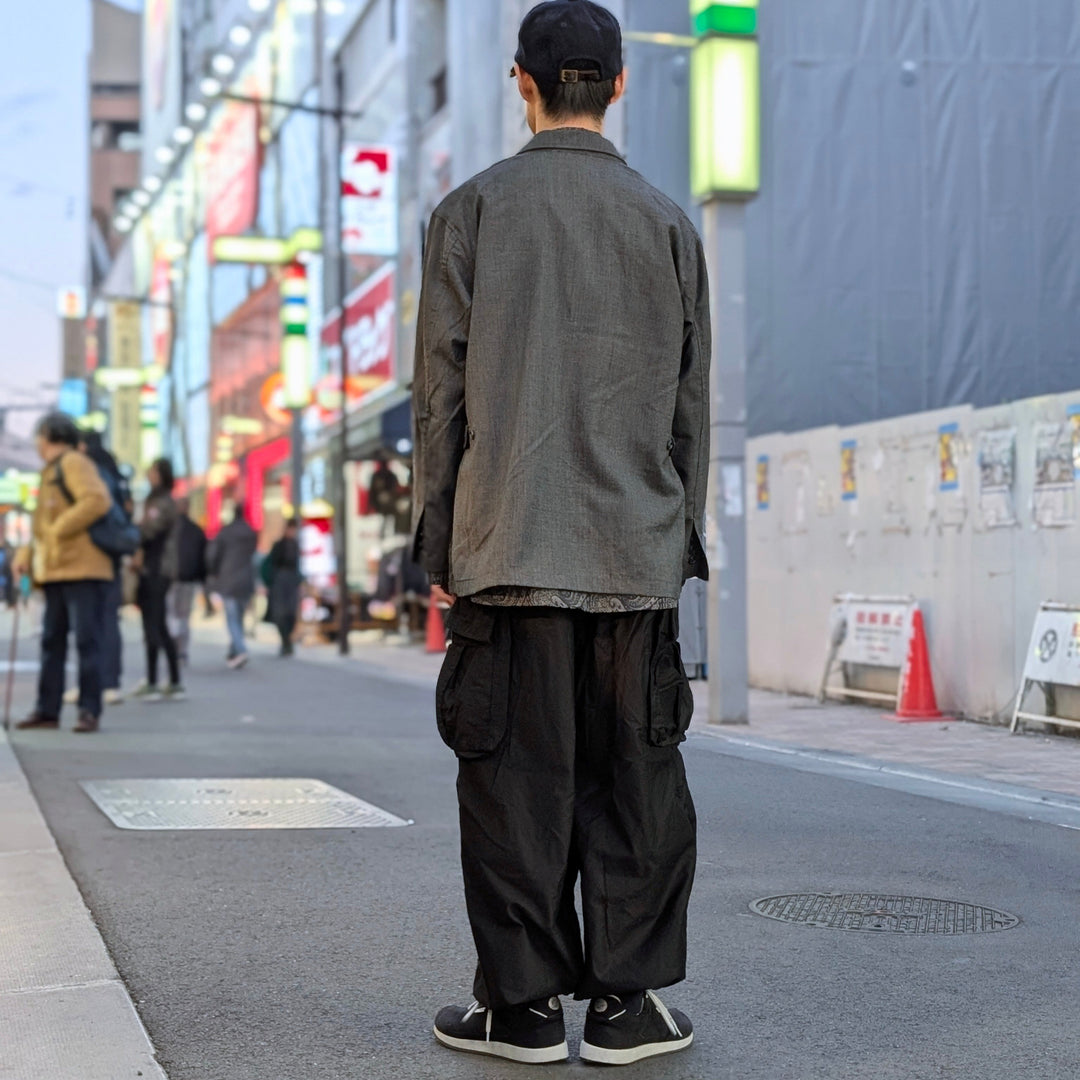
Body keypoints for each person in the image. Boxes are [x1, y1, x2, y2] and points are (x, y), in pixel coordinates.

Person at [413, 1, 710, 1066]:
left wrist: (437, 543)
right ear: (621, 86)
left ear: (520, 82)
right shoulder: (669, 222)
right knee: (636, 783)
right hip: (634, 553)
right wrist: (679, 544)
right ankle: (627, 1008)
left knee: (514, 789)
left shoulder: (471, 213)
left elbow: (441, 398)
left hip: (508, 548)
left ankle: (521, 1009)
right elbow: (689, 408)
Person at [14, 412, 114, 733]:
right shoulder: (50, 471)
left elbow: (97, 500)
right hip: (57, 569)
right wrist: (27, 553)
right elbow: (41, 526)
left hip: (84, 567)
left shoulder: (74, 462)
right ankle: (47, 709)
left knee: (87, 640)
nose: (37, 444)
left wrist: (59, 529)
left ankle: (89, 710)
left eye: (39, 437)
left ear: (48, 436)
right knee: (51, 641)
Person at [75, 431, 131, 705]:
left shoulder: (92, 473)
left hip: (93, 552)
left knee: (92, 622)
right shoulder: (117, 474)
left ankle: (97, 683)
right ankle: (108, 683)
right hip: (114, 552)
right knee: (108, 619)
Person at [133, 458, 183, 702]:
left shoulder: (162, 503)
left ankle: (161, 680)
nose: (148, 475)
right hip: (151, 569)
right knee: (155, 624)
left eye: (152, 472)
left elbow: (148, 532)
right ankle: (166, 680)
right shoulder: (154, 500)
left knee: (155, 623)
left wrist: (133, 531)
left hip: (157, 569)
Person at [208, 507, 257, 668]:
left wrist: (214, 573)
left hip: (229, 578)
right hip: (246, 579)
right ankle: (234, 650)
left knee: (232, 618)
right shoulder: (250, 533)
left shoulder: (226, 532)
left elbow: (214, 555)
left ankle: (240, 649)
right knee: (239, 617)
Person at [167, 496, 207, 665]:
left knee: (173, 615)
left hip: (173, 579)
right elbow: (203, 558)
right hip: (187, 579)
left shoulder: (170, 529)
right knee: (182, 616)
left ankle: (176, 649)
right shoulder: (196, 530)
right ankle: (180, 651)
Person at [265, 518, 302, 656]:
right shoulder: (278, 545)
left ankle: (287, 642)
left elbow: (298, 566)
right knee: (279, 614)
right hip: (279, 583)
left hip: (292, 583)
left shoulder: (296, 545)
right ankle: (285, 642)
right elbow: (271, 565)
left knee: (291, 614)